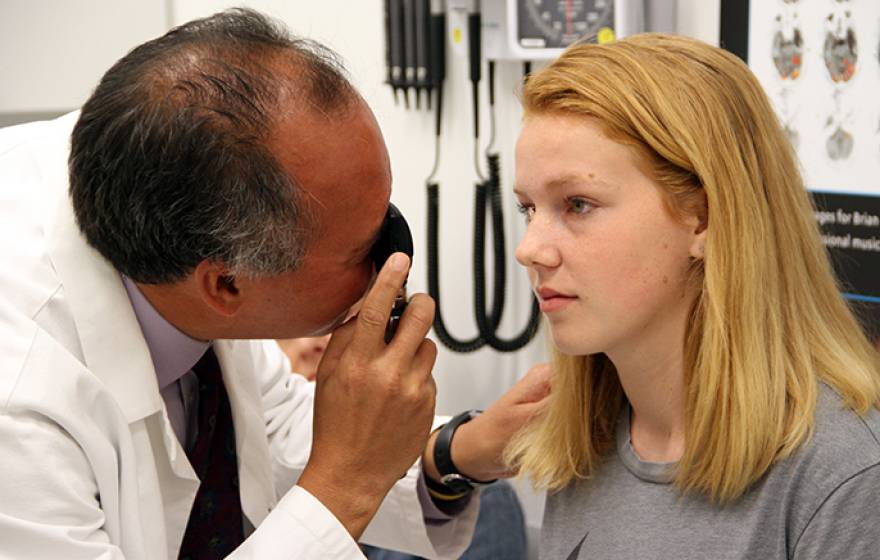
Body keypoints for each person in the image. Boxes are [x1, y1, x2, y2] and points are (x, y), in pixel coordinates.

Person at [0, 9, 551, 559]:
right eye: (365, 252)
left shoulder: (159, 168)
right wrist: (346, 487)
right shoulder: (21, 402)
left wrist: (455, 456)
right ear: (225, 287)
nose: (394, 260)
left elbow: (271, 431)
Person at [504, 33, 880, 559]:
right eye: (529, 208)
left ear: (702, 217)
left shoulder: (843, 478)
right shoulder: (584, 446)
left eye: (578, 205)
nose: (531, 249)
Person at [277, 337, 529, 560]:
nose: (316, 344)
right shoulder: (248, 488)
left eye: (348, 324)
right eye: (288, 330)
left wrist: (451, 455)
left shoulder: (471, 502)